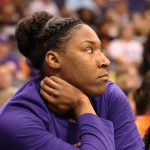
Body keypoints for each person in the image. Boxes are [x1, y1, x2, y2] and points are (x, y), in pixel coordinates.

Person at [0, 11, 144, 150]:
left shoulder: (109, 95)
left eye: (101, 50)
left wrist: (81, 103)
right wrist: (82, 105)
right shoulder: (17, 121)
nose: (105, 61)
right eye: (88, 49)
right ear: (54, 59)